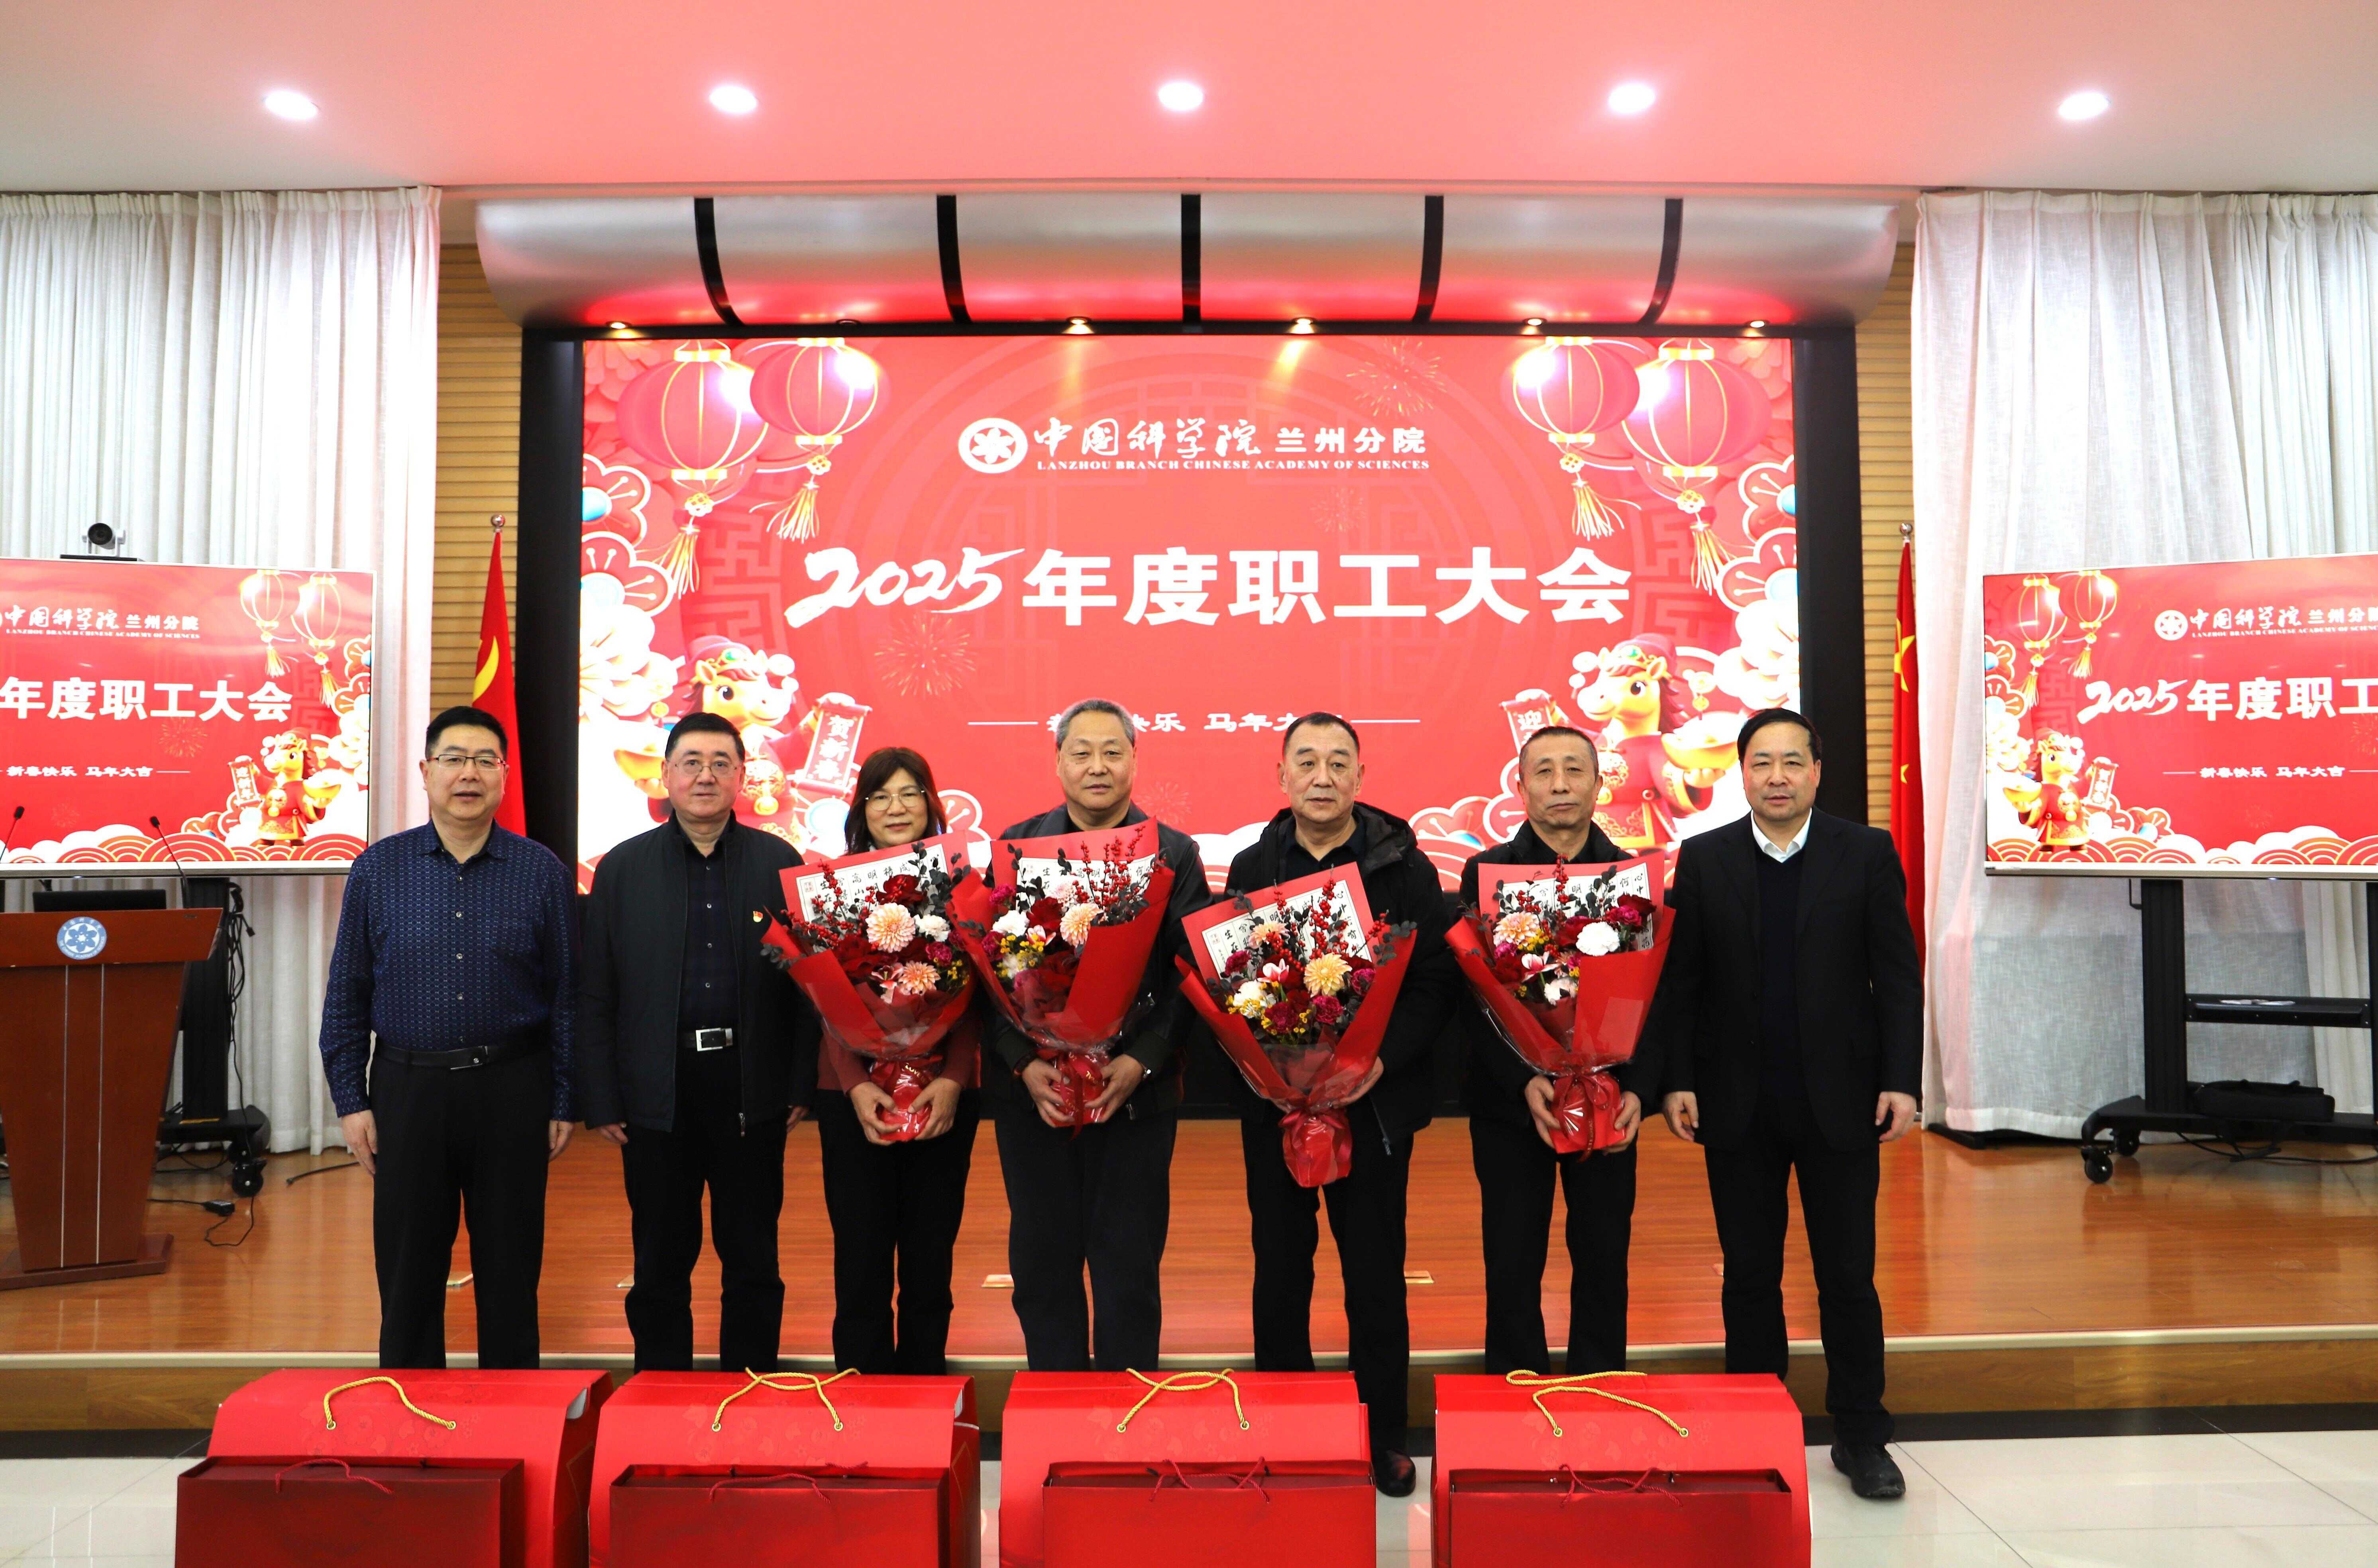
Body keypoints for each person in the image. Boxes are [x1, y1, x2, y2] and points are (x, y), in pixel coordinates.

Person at [1643, 707, 1922, 1500]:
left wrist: (1901, 1079)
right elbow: (1681, 982)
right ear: (1741, 773)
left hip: (1842, 1102)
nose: (1776, 777)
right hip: (1735, 1103)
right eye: (1761, 762)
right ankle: (1753, 1434)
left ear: (1816, 772)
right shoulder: (1705, 858)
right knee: (1748, 1277)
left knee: (1847, 1276)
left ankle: (1861, 1437)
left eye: (1791, 762)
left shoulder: (1864, 852)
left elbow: (1896, 976)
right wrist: (1675, 1080)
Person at [1217, 712, 1458, 1497]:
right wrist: (1273, 1069)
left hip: (1373, 1105)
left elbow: (1432, 983)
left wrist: (1380, 1062)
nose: (1322, 776)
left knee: (1375, 1274)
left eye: (1338, 762)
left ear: (1360, 776)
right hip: (1279, 1106)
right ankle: (1286, 1431)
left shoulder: (1404, 866)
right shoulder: (1253, 864)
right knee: (1280, 1271)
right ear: (1281, 775)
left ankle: (1382, 1434)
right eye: (1306, 761)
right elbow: (1234, 983)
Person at [319, 705, 577, 1369]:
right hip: (409, 1091)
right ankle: (408, 1415)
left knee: (511, 1274)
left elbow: (568, 995)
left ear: (504, 775)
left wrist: (563, 1098)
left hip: (513, 1089)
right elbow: (346, 994)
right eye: (455, 759)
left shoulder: (541, 871)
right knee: (408, 1275)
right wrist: (351, 1102)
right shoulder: (379, 869)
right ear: (427, 771)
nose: (470, 774)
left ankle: (514, 1414)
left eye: (486, 760)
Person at [578, 710, 817, 1374]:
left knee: (753, 1257)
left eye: (720, 763)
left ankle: (753, 1386)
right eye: (691, 763)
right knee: (659, 1258)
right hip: (658, 1092)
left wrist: (798, 1084)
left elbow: (808, 988)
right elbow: (596, 993)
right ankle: (659, 1394)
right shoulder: (622, 869)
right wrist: (602, 1097)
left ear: (742, 776)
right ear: (665, 775)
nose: (705, 776)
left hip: (751, 1085)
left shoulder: (779, 862)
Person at [988, 698, 1207, 1372]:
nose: (1098, 766)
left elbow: (1191, 973)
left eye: (1113, 752)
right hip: (1038, 1101)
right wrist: (1023, 1063)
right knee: (1042, 1270)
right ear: (1058, 762)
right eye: (1081, 752)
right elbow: (987, 973)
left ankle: (1126, 1415)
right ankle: (1054, 1413)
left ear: (1135, 760)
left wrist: (1141, 1060)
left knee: (1128, 1272)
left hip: (1134, 1099)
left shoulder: (1173, 854)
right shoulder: (1017, 848)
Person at [1458, 725, 1649, 1380]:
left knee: (1604, 1254)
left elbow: (1657, 995)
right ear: (1521, 786)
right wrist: (1522, 1078)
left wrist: (1637, 1086)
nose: (1560, 784)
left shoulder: (1632, 874)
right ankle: (1515, 1392)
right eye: (1544, 771)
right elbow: (1472, 994)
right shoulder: (1485, 873)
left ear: (1600, 784)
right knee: (1512, 1258)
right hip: (1515, 1104)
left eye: (1575, 770)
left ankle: (1600, 1386)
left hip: (1607, 1096)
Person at [814, 746, 980, 1374]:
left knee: (929, 1255)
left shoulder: (960, 888)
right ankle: (861, 1396)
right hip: (850, 1096)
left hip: (943, 1094)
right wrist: (855, 1084)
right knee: (860, 1256)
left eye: (911, 793)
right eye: (881, 796)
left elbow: (978, 998)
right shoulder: (832, 889)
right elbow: (825, 1001)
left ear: (931, 804)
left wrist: (955, 1079)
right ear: (862, 809)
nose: (896, 807)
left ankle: (925, 1390)